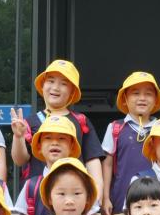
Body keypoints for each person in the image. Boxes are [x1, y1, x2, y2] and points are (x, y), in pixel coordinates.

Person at [9, 59, 104, 190]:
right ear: (42, 85)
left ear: (72, 91)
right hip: (38, 193)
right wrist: (18, 137)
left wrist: (97, 192)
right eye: (51, 81)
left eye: (63, 83)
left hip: (73, 194)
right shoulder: (29, 122)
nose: (55, 87)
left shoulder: (81, 121)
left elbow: (92, 160)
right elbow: (20, 161)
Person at [102, 71, 160, 215]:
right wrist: (105, 197)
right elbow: (107, 163)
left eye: (148, 94)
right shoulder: (115, 128)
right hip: (121, 202)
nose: (142, 98)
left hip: (155, 203)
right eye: (136, 93)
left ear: (156, 99)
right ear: (125, 99)